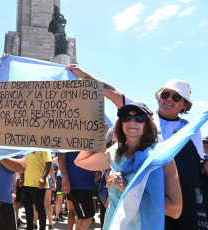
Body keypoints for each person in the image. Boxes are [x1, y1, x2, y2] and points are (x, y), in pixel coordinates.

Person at [69, 65, 207, 230]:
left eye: (176, 97)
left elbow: (198, 167)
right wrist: (84, 75)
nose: (169, 99)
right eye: (165, 94)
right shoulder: (144, 113)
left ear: (185, 105)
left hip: (173, 199)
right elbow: (112, 92)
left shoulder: (191, 131)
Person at [75, 102, 182, 229]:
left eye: (139, 118)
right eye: (126, 118)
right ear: (121, 123)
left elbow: (175, 210)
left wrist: (128, 190)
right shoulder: (115, 152)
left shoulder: (162, 156)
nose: (132, 122)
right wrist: (96, 136)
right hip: (113, 224)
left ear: (148, 124)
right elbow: (80, 161)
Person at [20, 151, 52, 230]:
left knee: (40, 208)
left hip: (38, 184)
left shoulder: (43, 148)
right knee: (27, 207)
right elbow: (25, 164)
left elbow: (49, 163)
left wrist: (43, 178)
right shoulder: (27, 149)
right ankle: (29, 227)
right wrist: (22, 177)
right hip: (27, 183)